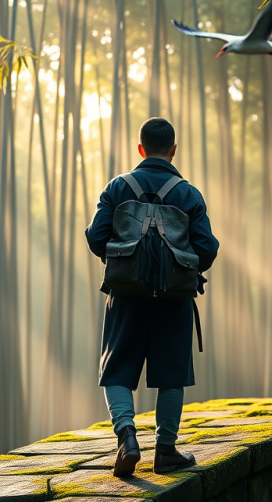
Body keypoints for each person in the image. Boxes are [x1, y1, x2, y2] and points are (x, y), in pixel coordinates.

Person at [85, 117, 219, 478]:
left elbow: (96, 238)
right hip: (174, 299)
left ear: (140, 148)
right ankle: (166, 450)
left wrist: (129, 262)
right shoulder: (187, 193)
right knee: (171, 373)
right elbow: (206, 249)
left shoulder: (118, 187)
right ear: (173, 150)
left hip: (125, 296)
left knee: (117, 369)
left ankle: (127, 437)